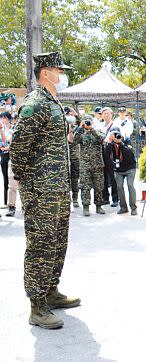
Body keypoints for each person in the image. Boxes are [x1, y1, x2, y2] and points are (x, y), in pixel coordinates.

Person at [10, 52, 81, 330]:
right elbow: (19, 147)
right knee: (41, 245)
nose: (61, 76)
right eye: (58, 71)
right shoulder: (35, 103)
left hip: (58, 189)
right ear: (45, 72)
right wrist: (29, 182)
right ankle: (37, 306)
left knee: (57, 240)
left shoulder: (53, 102)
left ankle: (51, 290)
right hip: (41, 191)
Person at [74, 115, 106, 217]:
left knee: (99, 186)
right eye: (86, 122)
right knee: (85, 187)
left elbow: (101, 140)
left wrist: (92, 130)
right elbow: (74, 141)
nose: (87, 124)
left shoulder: (98, 130)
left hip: (97, 164)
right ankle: (86, 207)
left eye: (89, 122)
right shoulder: (80, 132)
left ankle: (99, 206)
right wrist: (80, 127)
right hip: (85, 165)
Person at [106, 127, 138, 215]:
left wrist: (121, 143)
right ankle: (123, 207)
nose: (116, 137)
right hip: (118, 169)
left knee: (130, 185)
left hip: (130, 168)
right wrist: (109, 143)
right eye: (114, 135)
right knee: (119, 186)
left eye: (117, 134)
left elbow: (129, 153)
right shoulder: (110, 143)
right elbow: (106, 155)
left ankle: (133, 207)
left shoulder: (126, 139)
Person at [99, 107, 119, 207]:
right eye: (104, 113)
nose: (106, 115)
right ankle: (105, 198)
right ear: (101, 115)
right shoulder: (100, 126)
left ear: (111, 115)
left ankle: (115, 199)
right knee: (103, 177)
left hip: (112, 153)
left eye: (108, 113)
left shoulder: (115, 125)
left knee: (113, 176)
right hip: (102, 152)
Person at [64, 107, 81, 207]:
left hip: (74, 156)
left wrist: (74, 112)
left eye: (70, 115)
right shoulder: (60, 127)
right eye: (67, 115)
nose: (69, 117)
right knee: (64, 178)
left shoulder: (75, 127)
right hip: (64, 156)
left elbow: (80, 120)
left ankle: (75, 198)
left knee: (75, 178)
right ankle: (66, 199)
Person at [1, 111, 13, 209]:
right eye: (1, 118)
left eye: (4, 117)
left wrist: (7, 147)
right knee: (5, 179)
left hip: (12, 156)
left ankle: (13, 202)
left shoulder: (13, 128)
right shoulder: (2, 129)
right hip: (3, 156)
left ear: (8, 118)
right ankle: (6, 202)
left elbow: (8, 141)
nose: (2, 119)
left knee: (13, 180)